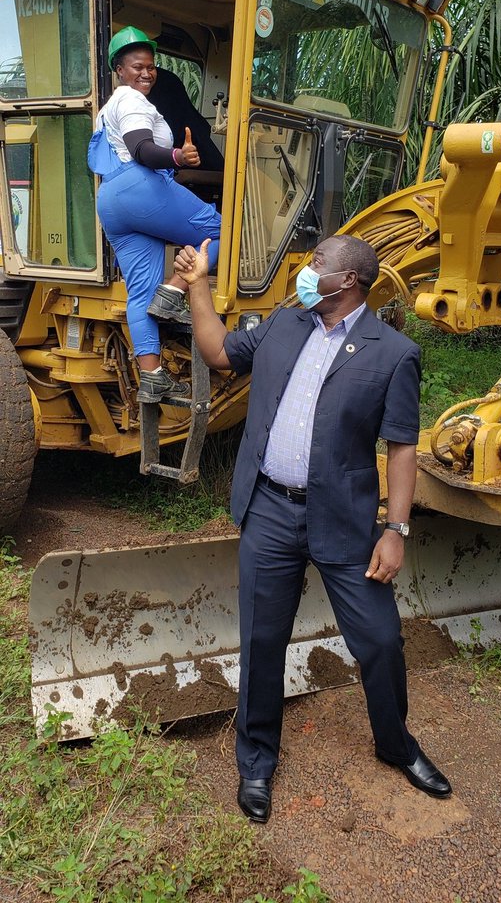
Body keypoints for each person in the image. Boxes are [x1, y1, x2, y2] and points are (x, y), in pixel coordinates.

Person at [174, 232, 452, 824]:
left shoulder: (392, 352)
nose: (307, 269)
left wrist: (395, 529)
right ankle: (256, 761)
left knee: (379, 638)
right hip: (270, 510)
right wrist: (198, 285)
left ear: (347, 280)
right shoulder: (285, 322)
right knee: (262, 639)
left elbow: (401, 447)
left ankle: (396, 744)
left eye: (317, 262)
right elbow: (221, 353)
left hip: (346, 519)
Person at [88, 26, 222, 404]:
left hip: (111, 199)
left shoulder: (106, 109)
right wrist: (178, 156)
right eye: (137, 67)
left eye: (150, 67)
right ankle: (174, 291)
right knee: (222, 232)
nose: (146, 73)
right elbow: (143, 150)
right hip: (139, 184)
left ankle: (153, 377)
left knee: (139, 292)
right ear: (119, 70)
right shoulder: (130, 101)